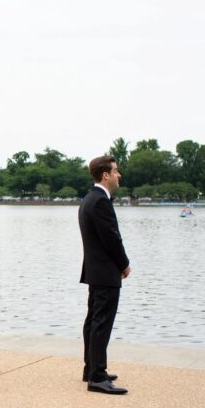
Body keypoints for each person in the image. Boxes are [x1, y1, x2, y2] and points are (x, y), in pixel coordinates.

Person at [79, 156, 131, 395]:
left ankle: (91, 369)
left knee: (93, 321)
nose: (119, 175)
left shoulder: (89, 199)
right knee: (101, 323)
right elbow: (111, 237)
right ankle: (97, 377)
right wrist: (124, 264)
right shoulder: (100, 201)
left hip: (95, 270)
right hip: (105, 271)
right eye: (116, 171)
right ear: (105, 175)